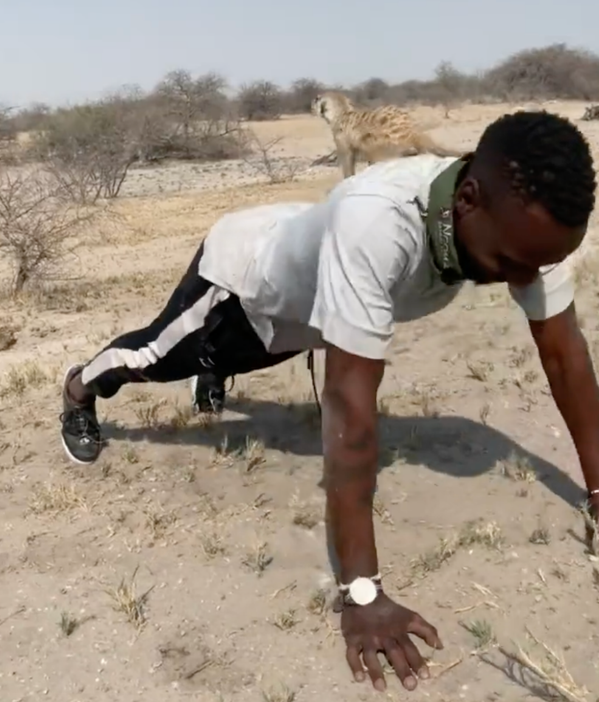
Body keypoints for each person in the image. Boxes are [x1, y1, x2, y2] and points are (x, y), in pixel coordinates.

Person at [58, 110, 599, 692]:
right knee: (153, 359)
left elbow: (565, 358)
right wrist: (362, 592)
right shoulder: (377, 225)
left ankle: (215, 378)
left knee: (256, 354)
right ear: (466, 200)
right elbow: (350, 413)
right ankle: (79, 388)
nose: (524, 278)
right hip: (242, 285)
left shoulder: (525, 228)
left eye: (536, 264)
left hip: (308, 309)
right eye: (510, 265)